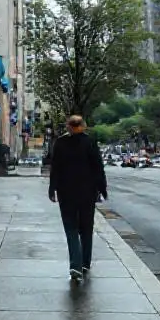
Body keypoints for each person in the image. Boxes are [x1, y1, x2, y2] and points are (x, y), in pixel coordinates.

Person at [47, 114, 108, 282]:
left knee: (71, 229)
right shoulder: (90, 142)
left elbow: (55, 168)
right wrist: (102, 189)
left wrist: (52, 189)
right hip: (88, 193)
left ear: (68, 127)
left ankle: (75, 264)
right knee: (87, 228)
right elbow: (98, 168)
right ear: (84, 126)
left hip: (67, 193)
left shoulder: (60, 143)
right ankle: (85, 263)